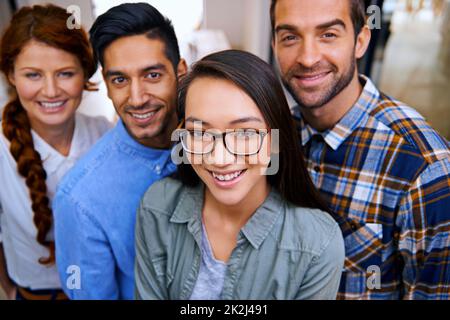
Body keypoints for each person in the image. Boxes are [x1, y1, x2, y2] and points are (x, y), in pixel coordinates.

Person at [271, 0, 450, 299]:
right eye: (290, 37)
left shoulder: (424, 168)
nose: (307, 57)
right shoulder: (271, 138)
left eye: (328, 34)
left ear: (361, 40)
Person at [135, 50, 345, 300]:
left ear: (276, 139)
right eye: (200, 133)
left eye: (245, 134)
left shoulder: (317, 244)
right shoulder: (158, 206)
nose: (220, 159)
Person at [53, 3, 187, 300]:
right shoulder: (80, 199)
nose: (137, 98)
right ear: (107, 85)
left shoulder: (220, 147)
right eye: (120, 80)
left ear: (181, 72)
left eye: (152, 75)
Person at [0, 4, 111, 300]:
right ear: (11, 75)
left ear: (85, 73)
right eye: (33, 75)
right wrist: (10, 291)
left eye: (65, 73)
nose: (50, 91)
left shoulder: (105, 135)